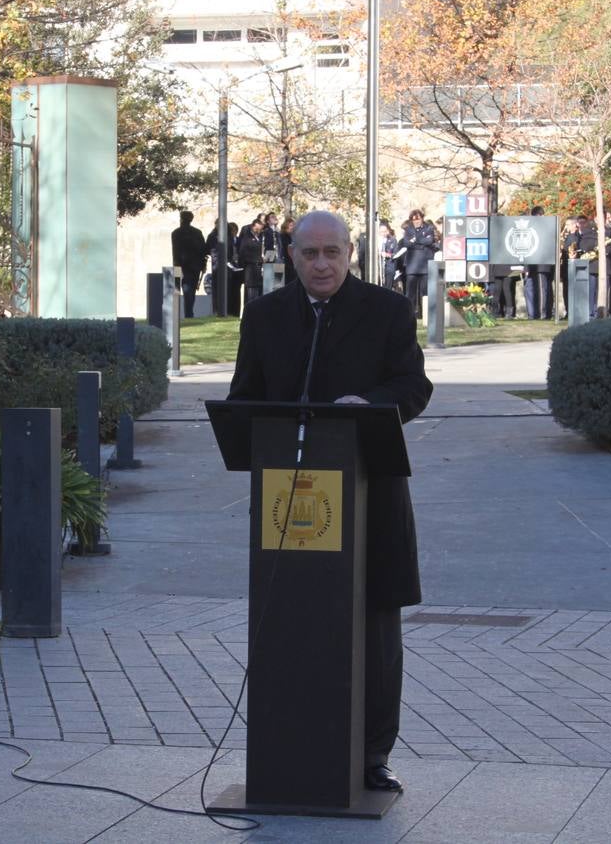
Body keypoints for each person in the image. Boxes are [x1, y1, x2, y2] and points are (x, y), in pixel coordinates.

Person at [227, 210, 433, 794]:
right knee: (291, 619)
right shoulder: (266, 316)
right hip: (286, 505)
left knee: (374, 630)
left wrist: (365, 406)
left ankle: (371, 754)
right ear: (291, 256)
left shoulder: (387, 310)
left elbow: (413, 386)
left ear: (351, 253)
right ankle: (288, 746)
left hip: (369, 496)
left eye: (332, 253)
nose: (321, 264)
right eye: (310, 253)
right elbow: (245, 398)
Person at [398, 208, 438, 319]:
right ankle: (409, 314)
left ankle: (424, 314)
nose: (416, 221)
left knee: (425, 292)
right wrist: (421, 242)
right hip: (412, 266)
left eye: (418, 219)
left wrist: (415, 241)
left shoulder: (429, 228)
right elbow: (406, 243)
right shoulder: (408, 230)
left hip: (425, 265)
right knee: (410, 293)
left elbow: (429, 241)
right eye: (414, 219)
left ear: (422, 218)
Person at [170, 210, 207, 319]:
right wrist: (203, 264)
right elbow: (203, 250)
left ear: (181, 219)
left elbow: (175, 251)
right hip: (195, 266)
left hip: (180, 265)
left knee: (180, 290)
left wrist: (176, 265)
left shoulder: (176, 233)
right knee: (190, 291)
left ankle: (180, 314)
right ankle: (189, 313)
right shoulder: (197, 232)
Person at [521, 205, 552, 319]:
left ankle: (541, 313)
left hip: (541, 264)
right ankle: (533, 313)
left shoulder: (546, 228)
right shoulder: (531, 228)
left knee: (541, 289)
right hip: (532, 264)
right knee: (530, 289)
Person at [236, 217, 267, 305]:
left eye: (260, 229)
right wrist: (259, 259)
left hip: (259, 270)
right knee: (251, 294)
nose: (258, 231)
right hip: (250, 270)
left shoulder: (261, 239)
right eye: (257, 229)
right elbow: (243, 255)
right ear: (253, 227)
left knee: (258, 293)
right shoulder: (246, 239)